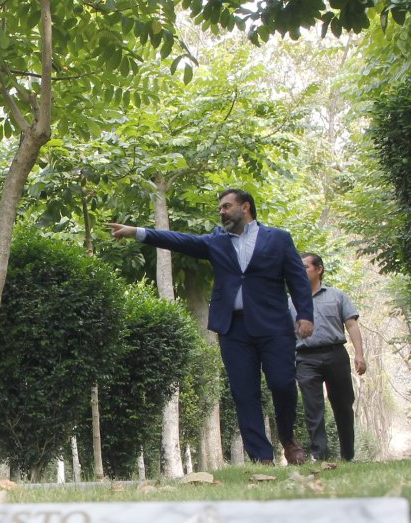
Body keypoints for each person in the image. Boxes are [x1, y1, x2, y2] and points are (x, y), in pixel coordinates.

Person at [107, 188, 313, 465]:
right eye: (221, 208)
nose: (222, 211)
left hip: (273, 325)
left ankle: (288, 439)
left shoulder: (278, 238)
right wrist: (137, 232)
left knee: (282, 384)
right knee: (244, 392)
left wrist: (305, 314)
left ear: (246, 207)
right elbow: (180, 240)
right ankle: (261, 456)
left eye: (227, 206)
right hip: (233, 329)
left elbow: (298, 279)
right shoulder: (216, 242)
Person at [293, 253, 366, 462]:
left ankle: (347, 456)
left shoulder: (337, 296)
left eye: (305, 267)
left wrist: (359, 355)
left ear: (319, 269)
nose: (301, 271)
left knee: (343, 405)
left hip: (336, 354)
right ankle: (320, 456)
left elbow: (352, 324)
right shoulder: (291, 302)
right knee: (312, 408)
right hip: (305, 358)